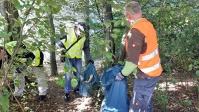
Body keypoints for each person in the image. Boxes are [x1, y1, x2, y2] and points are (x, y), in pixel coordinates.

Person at [114, 1, 162, 112]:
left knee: (137, 107)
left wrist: (121, 75)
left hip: (146, 76)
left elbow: (131, 63)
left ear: (128, 16)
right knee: (146, 103)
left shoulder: (135, 32)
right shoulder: (147, 25)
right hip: (154, 72)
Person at [56, 22, 93, 102]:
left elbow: (86, 48)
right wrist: (60, 45)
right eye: (80, 31)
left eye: (83, 32)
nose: (81, 33)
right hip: (68, 58)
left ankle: (77, 89)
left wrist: (89, 58)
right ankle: (67, 93)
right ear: (77, 28)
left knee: (78, 75)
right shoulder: (68, 31)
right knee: (68, 75)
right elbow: (56, 38)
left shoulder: (84, 36)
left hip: (78, 58)